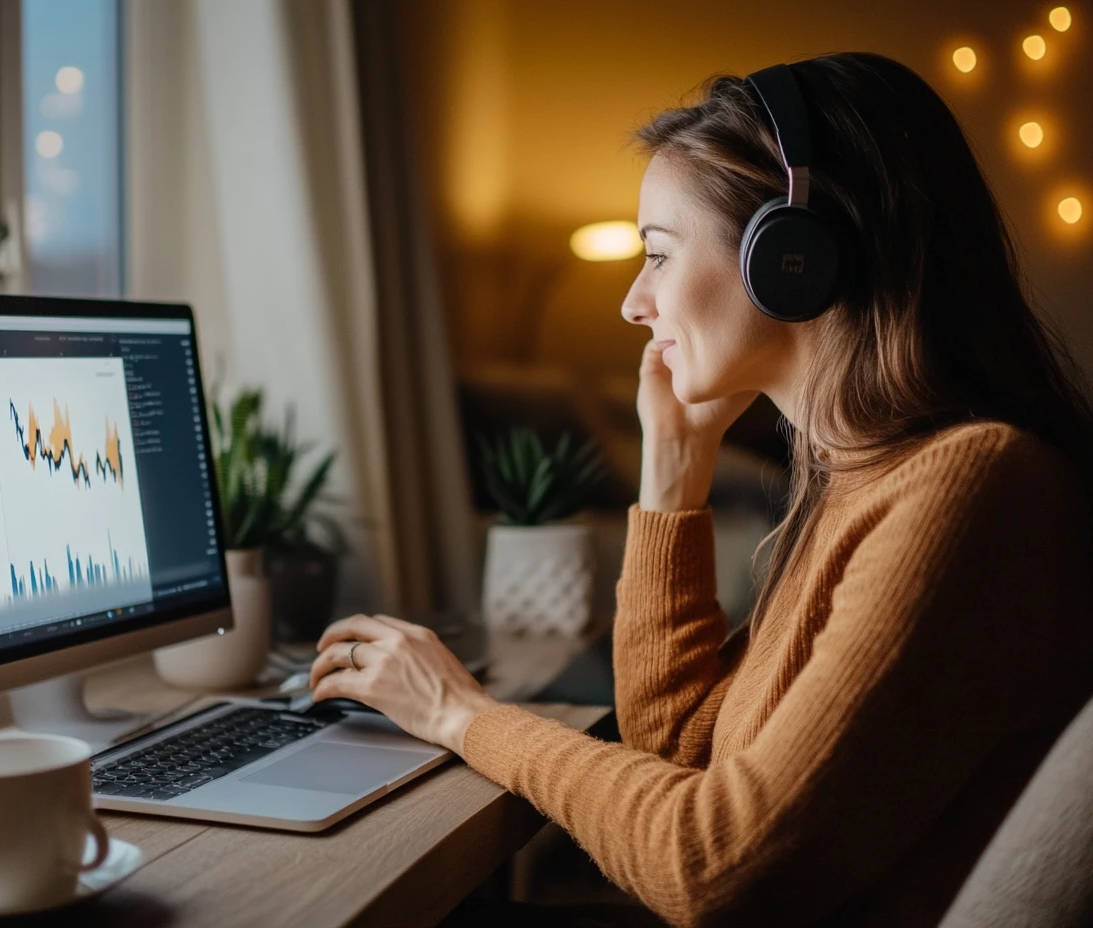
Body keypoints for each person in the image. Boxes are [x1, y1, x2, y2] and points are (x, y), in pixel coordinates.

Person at [308, 52, 1093, 927]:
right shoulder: (862, 482)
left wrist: (460, 716)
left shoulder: (969, 487)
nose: (634, 305)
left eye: (658, 255)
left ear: (792, 258)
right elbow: (681, 749)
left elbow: (713, 867)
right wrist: (673, 464)